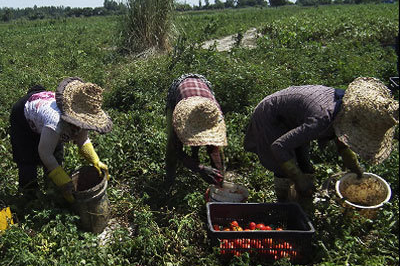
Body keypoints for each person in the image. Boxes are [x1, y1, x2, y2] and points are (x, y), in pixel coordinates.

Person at [243, 77, 398, 210]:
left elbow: (342, 133)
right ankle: (283, 206)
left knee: (305, 165)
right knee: (284, 168)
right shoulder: (322, 119)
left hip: (294, 117)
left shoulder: (346, 107)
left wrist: (353, 164)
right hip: (271, 116)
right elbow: (279, 146)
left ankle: (301, 203)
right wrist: (298, 178)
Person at [9, 77, 112, 203]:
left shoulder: (84, 116)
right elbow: (45, 153)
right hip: (23, 118)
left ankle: (51, 190)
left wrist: (95, 161)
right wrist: (63, 181)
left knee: (56, 155)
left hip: (44, 117)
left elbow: (83, 140)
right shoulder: (56, 121)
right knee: (27, 161)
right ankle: (29, 198)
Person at [165, 73, 227, 190]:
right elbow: (176, 149)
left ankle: (194, 157)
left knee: (206, 141)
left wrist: (219, 176)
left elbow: (214, 149)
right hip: (179, 88)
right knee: (171, 148)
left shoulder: (214, 116)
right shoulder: (180, 117)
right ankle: (169, 181)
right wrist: (201, 169)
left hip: (202, 86)